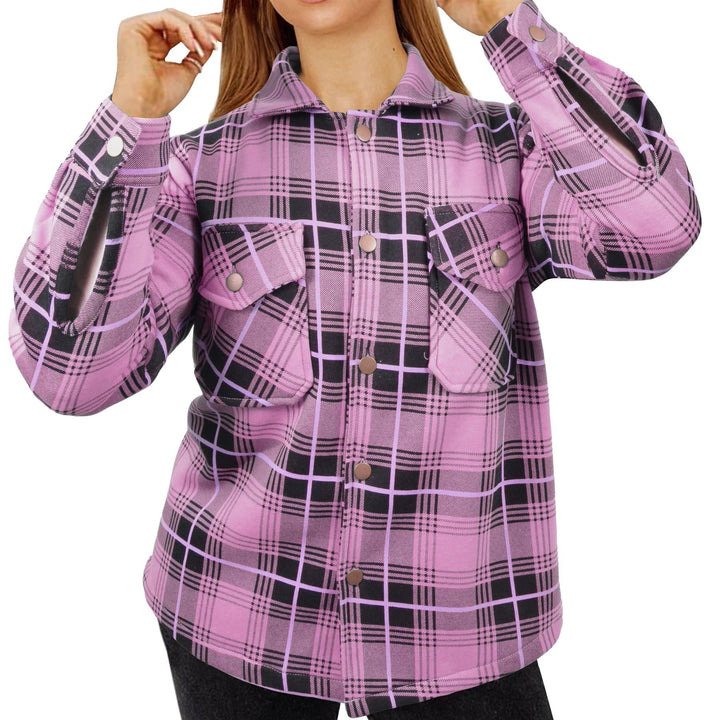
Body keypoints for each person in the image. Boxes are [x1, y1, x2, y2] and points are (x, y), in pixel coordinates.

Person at [8, 0, 701, 719]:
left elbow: (658, 228)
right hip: (239, 613)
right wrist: (130, 121)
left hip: (461, 623)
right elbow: (68, 371)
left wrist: (507, 22)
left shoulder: (507, 149)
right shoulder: (200, 166)